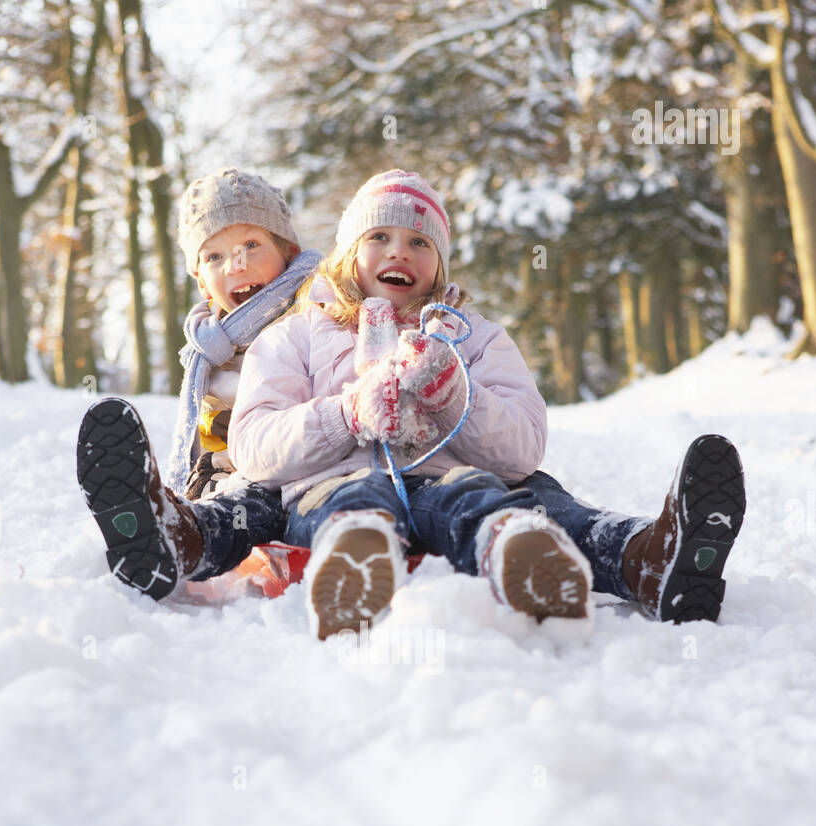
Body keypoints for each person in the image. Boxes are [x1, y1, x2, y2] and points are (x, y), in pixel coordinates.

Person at [78, 169, 745, 634]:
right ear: (347, 253)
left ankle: (637, 557)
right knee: (322, 503)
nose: (399, 251)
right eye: (379, 237)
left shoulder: (475, 337)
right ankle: (308, 551)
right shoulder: (298, 333)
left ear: (440, 263)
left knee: (520, 498)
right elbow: (254, 446)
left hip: (452, 475)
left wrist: (458, 394)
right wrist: (349, 412)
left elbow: (522, 446)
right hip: (329, 484)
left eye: (419, 242)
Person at [77, 168, 320, 599]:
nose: (236, 264)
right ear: (200, 280)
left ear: (289, 251)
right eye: (214, 257)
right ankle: (168, 528)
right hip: (234, 479)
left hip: (300, 475)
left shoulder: (317, 316)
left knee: (254, 505)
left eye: (251, 244)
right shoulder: (211, 347)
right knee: (234, 507)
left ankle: (181, 535)